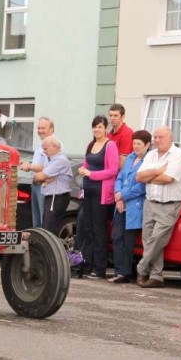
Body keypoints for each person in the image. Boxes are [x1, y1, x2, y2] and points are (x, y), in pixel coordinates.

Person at [135, 126, 181, 288]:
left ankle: (141, 267)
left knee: (157, 239)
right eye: (155, 137)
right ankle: (156, 276)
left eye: (160, 137)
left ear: (170, 138)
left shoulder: (178, 154)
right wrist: (157, 171)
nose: (156, 140)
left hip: (169, 204)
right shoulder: (150, 154)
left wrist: (149, 176)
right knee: (148, 240)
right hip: (150, 202)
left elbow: (168, 179)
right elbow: (139, 176)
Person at [77, 115, 118, 279]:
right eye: (94, 127)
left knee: (99, 229)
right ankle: (87, 265)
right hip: (88, 190)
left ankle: (99, 268)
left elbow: (113, 170)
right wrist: (83, 170)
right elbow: (86, 164)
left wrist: (91, 174)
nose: (97, 129)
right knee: (87, 229)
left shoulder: (110, 146)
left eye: (100, 127)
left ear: (105, 128)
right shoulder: (90, 144)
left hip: (101, 191)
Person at [109, 130, 152, 284]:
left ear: (147, 145)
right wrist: (118, 194)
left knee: (128, 240)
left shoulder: (148, 161)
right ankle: (118, 270)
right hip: (121, 203)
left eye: (139, 144)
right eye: (134, 143)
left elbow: (141, 186)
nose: (135, 146)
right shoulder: (129, 158)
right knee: (116, 236)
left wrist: (123, 195)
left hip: (134, 205)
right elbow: (120, 177)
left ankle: (125, 272)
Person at [33, 136, 72, 236]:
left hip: (57, 198)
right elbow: (39, 178)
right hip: (51, 197)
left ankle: (50, 251)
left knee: (49, 229)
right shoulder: (50, 160)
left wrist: (42, 177)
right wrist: (45, 178)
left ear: (55, 147)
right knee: (47, 227)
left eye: (45, 148)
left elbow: (39, 176)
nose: (43, 151)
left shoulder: (60, 160)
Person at [20, 117, 55, 227]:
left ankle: (42, 244)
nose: (40, 131)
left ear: (51, 129)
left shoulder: (54, 144)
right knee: (36, 223)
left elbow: (48, 167)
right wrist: (26, 163)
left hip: (45, 187)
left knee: (43, 222)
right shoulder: (41, 145)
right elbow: (39, 163)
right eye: (38, 128)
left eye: (43, 128)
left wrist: (29, 166)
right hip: (36, 185)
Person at [108, 103, 134, 170]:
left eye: (115, 116)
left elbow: (123, 164)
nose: (112, 118)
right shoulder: (109, 135)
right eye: (110, 115)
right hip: (109, 172)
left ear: (122, 117)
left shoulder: (127, 133)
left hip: (119, 176)